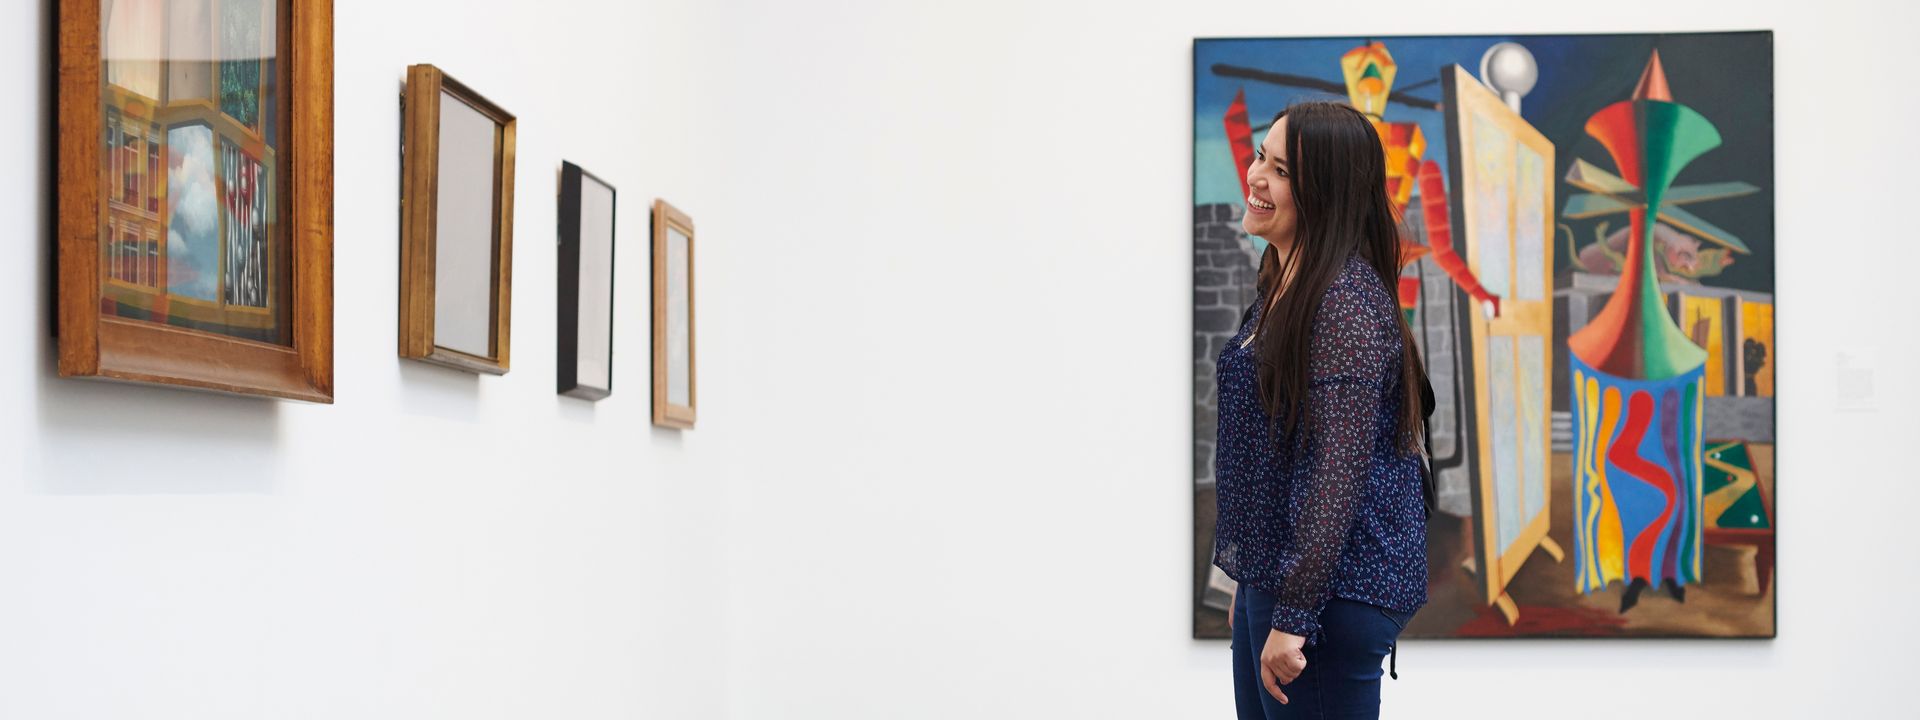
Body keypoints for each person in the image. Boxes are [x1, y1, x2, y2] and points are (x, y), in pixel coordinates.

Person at [1214, 101, 1430, 720]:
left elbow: (1337, 473)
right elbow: (1276, 450)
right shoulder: (1284, 283)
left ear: (1325, 193)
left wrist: (1294, 615)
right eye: (1261, 156)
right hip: (1284, 582)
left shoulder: (1343, 301)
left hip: (1330, 596)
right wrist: (1253, 581)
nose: (1257, 177)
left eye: (1280, 171)